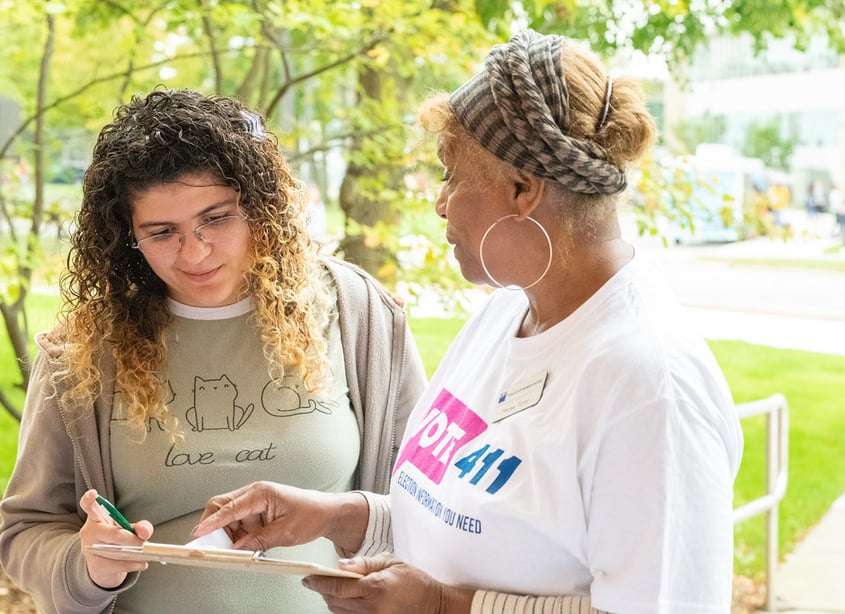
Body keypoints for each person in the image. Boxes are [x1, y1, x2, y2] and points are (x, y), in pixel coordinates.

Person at [194, 29, 744, 613]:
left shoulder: (649, 388)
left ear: (522, 189)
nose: (440, 202)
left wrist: (441, 606)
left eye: (452, 174)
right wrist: (337, 517)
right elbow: (465, 523)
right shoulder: (506, 313)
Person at [0, 89, 427, 613]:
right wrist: (86, 566)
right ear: (124, 238)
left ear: (258, 206)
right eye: (162, 233)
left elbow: (429, 503)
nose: (195, 252)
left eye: (217, 218)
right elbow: (27, 529)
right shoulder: (85, 348)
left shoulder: (359, 315)